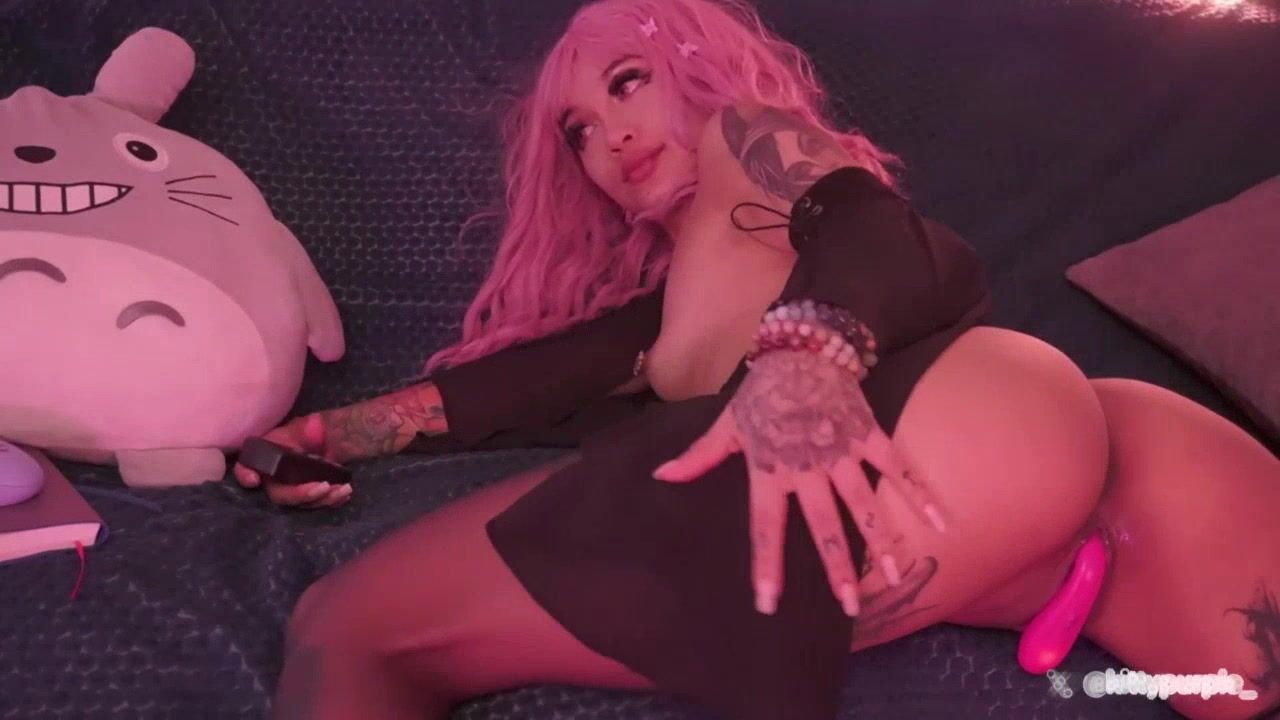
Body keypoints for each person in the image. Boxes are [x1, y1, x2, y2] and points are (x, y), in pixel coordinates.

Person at [237, 1, 1280, 719]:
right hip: (1101, 517)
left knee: (353, 625)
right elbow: (508, 395)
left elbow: (869, 224)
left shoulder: (746, 143)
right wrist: (315, 439)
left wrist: (803, 363)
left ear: (698, 67)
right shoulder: (671, 319)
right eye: (579, 132)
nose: (610, 140)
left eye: (629, 83)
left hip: (1028, 431)